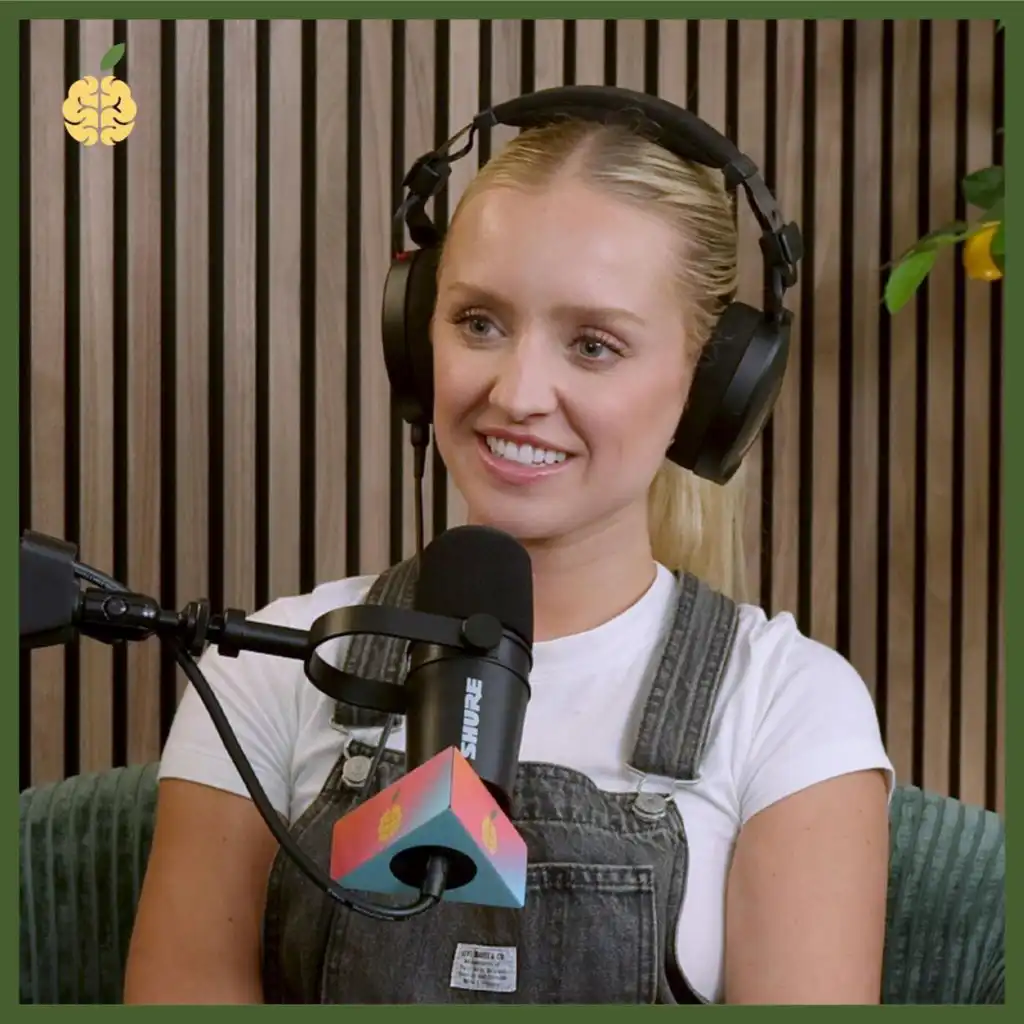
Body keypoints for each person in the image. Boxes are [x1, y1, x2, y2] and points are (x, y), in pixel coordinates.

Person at [124, 101, 894, 1006]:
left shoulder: (788, 707)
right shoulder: (270, 666)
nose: (519, 392)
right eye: (480, 323)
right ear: (417, 336)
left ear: (713, 387)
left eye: (594, 345)